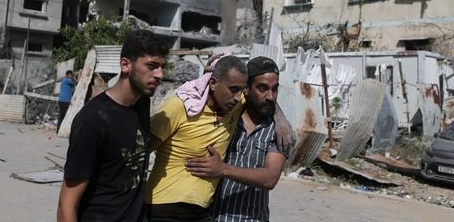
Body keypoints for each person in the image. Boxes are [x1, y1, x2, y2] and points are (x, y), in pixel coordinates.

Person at [57, 29, 169, 222]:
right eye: (152, 65)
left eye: (161, 66)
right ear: (125, 65)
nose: (160, 74)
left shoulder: (141, 102)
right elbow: (66, 205)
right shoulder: (93, 120)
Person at [147, 56, 249, 222]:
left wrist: (281, 121)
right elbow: (142, 150)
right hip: (163, 208)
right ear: (213, 83)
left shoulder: (234, 105)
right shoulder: (181, 106)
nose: (238, 97)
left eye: (241, 90)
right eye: (233, 89)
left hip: (200, 212)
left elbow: (266, 96)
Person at [186, 56, 286, 222]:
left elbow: (270, 178)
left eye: (274, 89)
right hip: (211, 216)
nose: (270, 96)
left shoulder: (280, 131)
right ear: (246, 88)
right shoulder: (226, 118)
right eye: (262, 88)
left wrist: (222, 169)